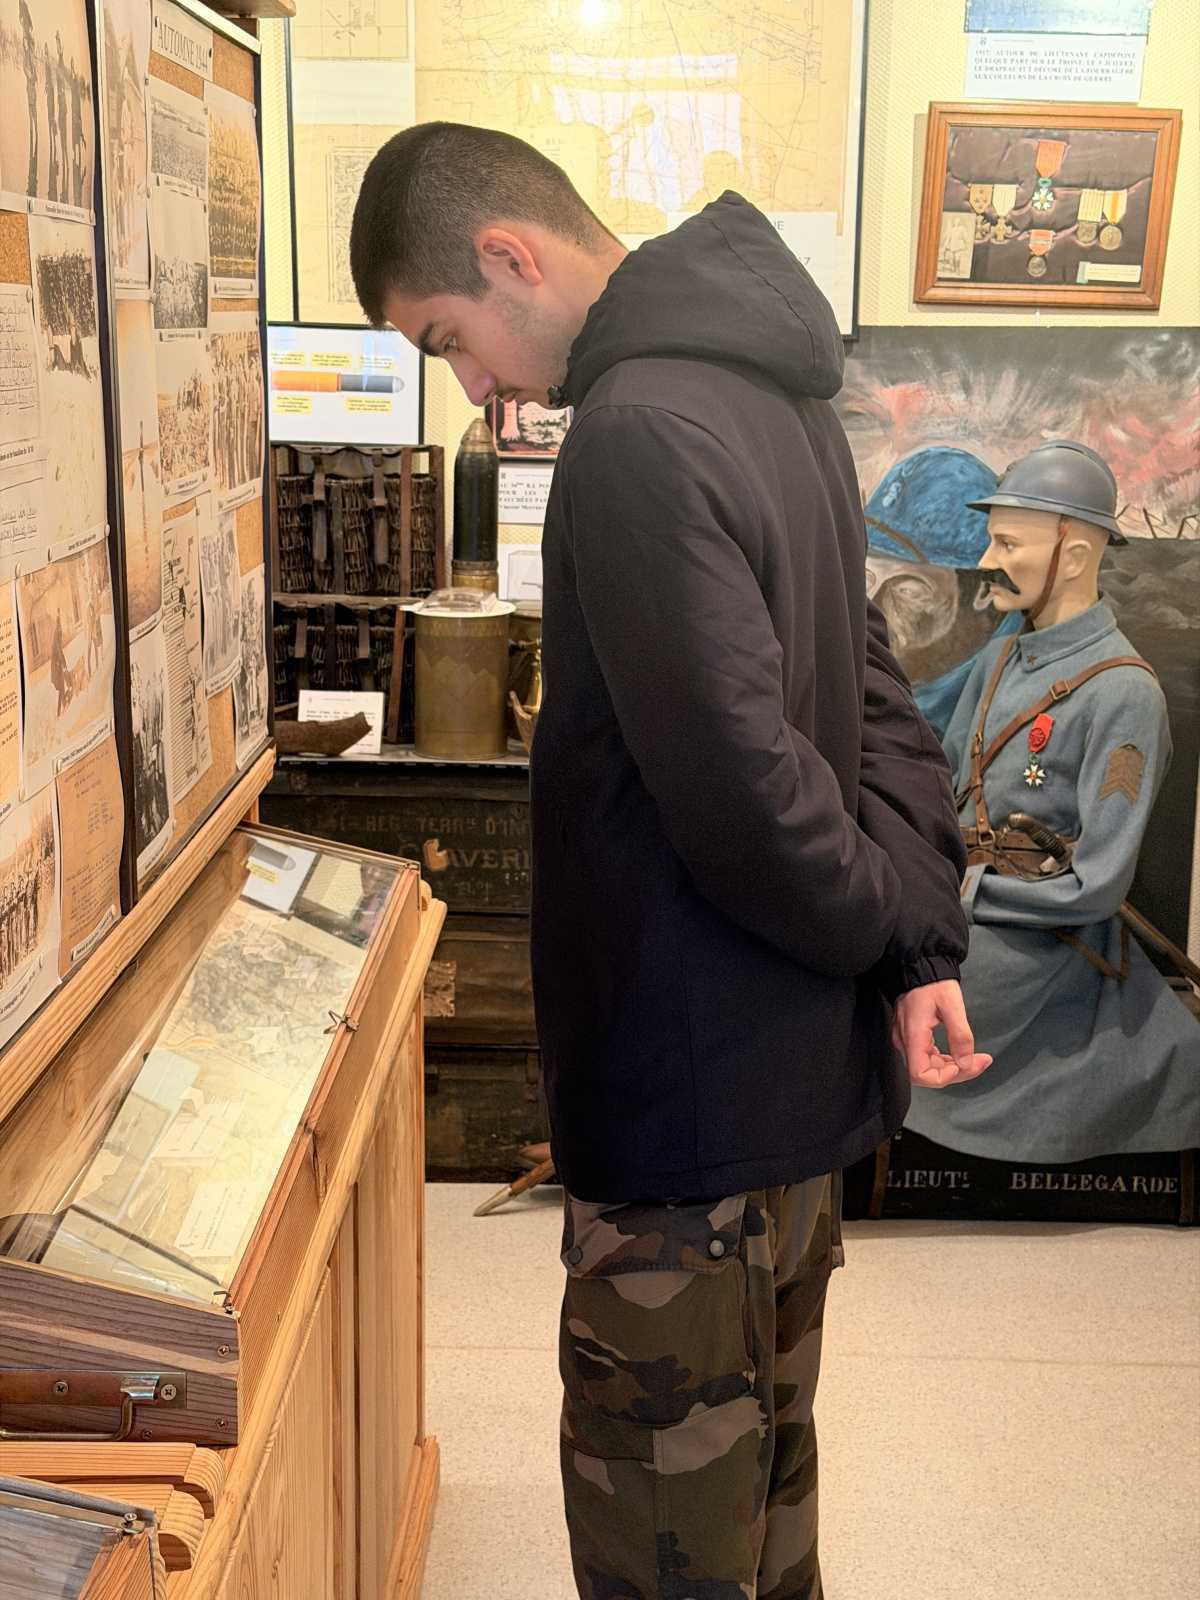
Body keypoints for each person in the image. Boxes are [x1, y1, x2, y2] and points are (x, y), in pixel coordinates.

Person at [351, 123, 989, 1599]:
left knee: (667, 1535)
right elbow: (876, 699)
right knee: (762, 1503)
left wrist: (894, 929)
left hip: (687, 1103)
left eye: (449, 340)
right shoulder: (774, 390)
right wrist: (912, 940)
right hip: (788, 1082)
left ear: (509, 258)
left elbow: (746, 792)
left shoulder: (635, 430)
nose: (474, 387)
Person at [905, 441, 1200, 1164]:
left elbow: (1096, 886)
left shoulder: (1124, 692)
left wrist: (964, 897)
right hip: (962, 915)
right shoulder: (1000, 660)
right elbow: (945, 789)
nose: (988, 560)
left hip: (1035, 944)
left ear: (1073, 555)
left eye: (1008, 543)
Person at [863, 446, 1024, 737]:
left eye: (908, 590)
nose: (872, 608)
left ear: (984, 590)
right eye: (866, 579)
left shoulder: (1012, 696)